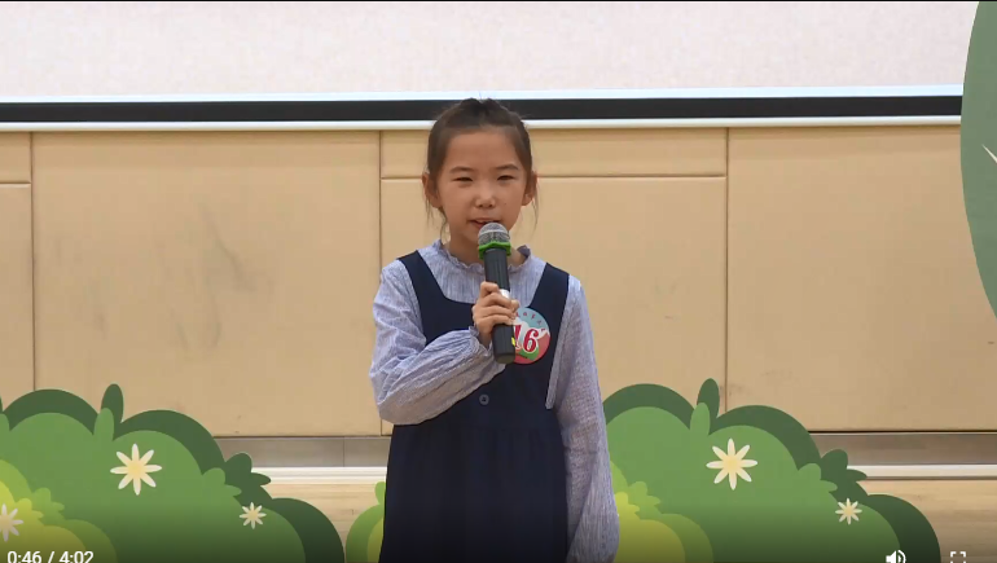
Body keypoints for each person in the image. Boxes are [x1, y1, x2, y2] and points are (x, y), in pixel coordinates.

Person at [368, 97, 619, 563]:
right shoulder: (404, 280)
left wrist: (592, 548)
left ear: (529, 187)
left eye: (504, 177)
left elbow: (583, 430)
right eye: (464, 179)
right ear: (431, 189)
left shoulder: (562, 292)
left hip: (527, 510)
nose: (486, 196)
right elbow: (394, 396)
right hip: (429, 508)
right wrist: (475, 345)